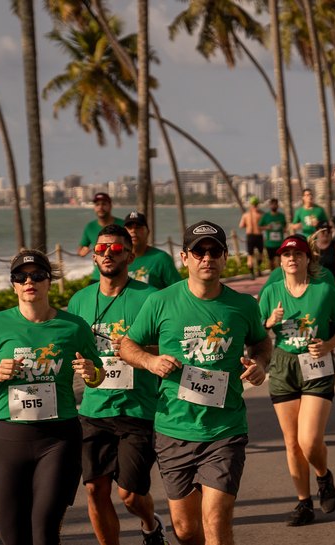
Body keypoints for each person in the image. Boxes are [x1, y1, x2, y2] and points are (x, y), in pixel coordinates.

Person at [120, 220, 272, 545]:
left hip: (225, 429)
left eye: (214, 250)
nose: (207, 257)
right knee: (187, 531)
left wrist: (259, 364)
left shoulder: (242, 305)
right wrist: (150, 360)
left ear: (225, 256)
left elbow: (261, 343)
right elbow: (127, 345)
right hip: (173, 428)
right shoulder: (160, 302)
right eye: (199, 251)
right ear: (184, 257)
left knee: (216, 522)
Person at [0, 250, 104, 545]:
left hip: (58, 438)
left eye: (37, 275)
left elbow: (97, 376)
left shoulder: (73, 326)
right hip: (10, 437)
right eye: (21, 276)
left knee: (43, 532)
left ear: (48, 282)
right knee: (13, 536)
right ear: (13, 284)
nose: (30, 281)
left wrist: (91, 372)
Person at [67, 225, 168, 545]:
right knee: (95, 489)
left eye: (115, 249)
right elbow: (71, 349)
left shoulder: (150, 297)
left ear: (130, 254)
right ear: (93, 256)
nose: (107, 254)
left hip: (137, 408)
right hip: (94, 408)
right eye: (100, 249)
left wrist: (136, 351)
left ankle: (151, 525)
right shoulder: (80, 300)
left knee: (130, 495)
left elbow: (170, 347)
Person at [258, 235, 335, 526]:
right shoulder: (271, 291)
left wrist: (328, 345)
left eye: (298, 254)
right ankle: (303, 503)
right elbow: (256, 333)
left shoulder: (324, 290)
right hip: (284, 365)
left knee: (308, 440)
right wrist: (269, 323)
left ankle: (323, 476)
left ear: (308, 259)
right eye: (286, 255)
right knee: (292, 442)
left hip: (317, 363)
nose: (292, 259)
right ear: (280, 261)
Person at [123, 211, 182, 290]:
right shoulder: (117, 258)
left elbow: (177, 290)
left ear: (148, 232)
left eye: (138, 227)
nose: (133, 231)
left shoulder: (161, 258)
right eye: (129, 227)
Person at [79, 192, 125, 257]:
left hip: (120, 266)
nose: (100, 207)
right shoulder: (90, 227)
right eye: (97, 204)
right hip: (98, 266)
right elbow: (81, 248)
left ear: (110, 206)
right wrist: (82, 252)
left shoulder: (123, 225)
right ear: (94, 207)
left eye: (104, 204)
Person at [239, 196, 264, 278]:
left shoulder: (246, 215)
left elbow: (241, 225)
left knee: (251, 255)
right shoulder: (261, 214)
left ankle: (253, 273)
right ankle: (256, 271)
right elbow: (266, 224)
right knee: (255, 255)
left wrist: (248, 224)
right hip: (257, 235)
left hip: (251, 236)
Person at [260, 198, 287, 270]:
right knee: (270, 263)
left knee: (279, 262)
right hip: (269, 244)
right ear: (270, 206)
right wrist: (267, 227)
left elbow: (285, 227)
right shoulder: (266, 216)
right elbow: (259, 227)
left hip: (279, 243)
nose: (274, 206)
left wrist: (285, 229)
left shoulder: (282, 216)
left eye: (275, 204)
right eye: (272, 204)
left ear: (278, 206)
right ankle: (272, 276)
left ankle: (279, 277)